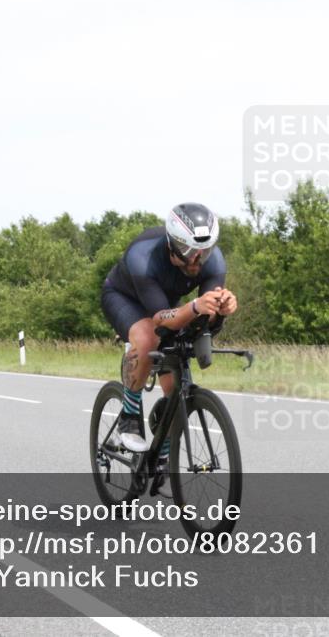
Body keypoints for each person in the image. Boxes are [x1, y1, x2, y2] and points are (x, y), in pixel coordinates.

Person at [99, 203, 238, 479]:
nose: (198, 261)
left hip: (165, 304)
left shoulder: (213, 262)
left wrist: (221, 309)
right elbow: (161, 318)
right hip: (125, 298)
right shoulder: (143, 257)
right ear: (172, 245)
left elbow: (201, 319)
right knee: (148, 336)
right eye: (189, 252)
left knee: (176, 384)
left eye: (205, 251)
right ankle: (129, 417)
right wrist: (197, 306)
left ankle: (161, 455)